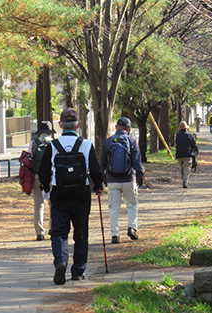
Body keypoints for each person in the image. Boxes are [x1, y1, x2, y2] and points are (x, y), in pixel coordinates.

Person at [39, 108, 103, 285]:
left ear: (60, 125)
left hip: (59, 193)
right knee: (81, 232)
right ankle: (78, 271)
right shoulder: (86, 144)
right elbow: (96, 170)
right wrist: (98, 186)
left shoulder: (53, 146)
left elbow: (44, 170)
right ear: (78, 125)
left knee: (59, 231)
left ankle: (60, 261)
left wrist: (45, 187)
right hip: (81, 194)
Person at [100, 117, 144, 244]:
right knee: (132, 204)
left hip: (112, 179)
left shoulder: (108, 142)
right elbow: (136, 160)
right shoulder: (132, 141)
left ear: (116, 127)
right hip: (129, 179)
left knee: (114, 208)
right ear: (128, 129)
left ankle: (115, 234)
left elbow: (102, 162)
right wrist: (140, 175)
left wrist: (102, 177)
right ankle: (132, 227)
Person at [28, 121, 56, 241]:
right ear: (50, 133)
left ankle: (39, 232)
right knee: (53, 203)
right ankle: (52, 228)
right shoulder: (55, 143)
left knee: (39, 204)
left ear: (39, 133)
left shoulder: (33, 143)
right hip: (52, 177)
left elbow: (28, 159)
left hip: (37, 177)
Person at [175, 121, 197, 188]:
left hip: (179, 154)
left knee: (181, 167)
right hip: (188, 153)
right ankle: (185, 180)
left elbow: (176, 143)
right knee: (187, 167)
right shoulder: (189, 135)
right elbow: (193, 144)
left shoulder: (177, 135)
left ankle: (183, 178)